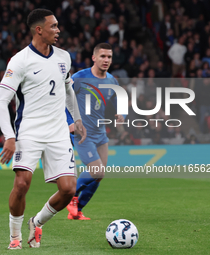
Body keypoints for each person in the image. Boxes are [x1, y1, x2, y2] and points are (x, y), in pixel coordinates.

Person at [0, 9, 86, 250]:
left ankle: (37, 222)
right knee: (22, 184)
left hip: (58, 132)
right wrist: (9, 137)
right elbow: (1, 101)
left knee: (68, 190)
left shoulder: (64, 57)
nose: (58, 30)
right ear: (39, 30)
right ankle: (15, 237)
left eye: (57, 26)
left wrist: (77, 120)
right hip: (30, 132)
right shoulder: (20, 61)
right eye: (53, 26)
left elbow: (68, 91)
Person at [66, 43, 126, 220]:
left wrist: (120, 112)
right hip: (83, 134)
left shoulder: (111, 80)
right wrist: (69, 122)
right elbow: (63, 100)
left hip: (101, 134)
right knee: (97, 171)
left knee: (99, 176)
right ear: (94, 58)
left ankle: (78, 210)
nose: (106, 60)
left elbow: (117, 100)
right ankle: (71, 195)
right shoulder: (79, 77)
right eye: (102, 56)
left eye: (109, 57)